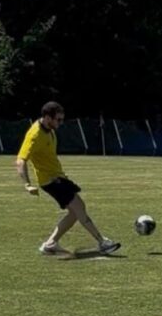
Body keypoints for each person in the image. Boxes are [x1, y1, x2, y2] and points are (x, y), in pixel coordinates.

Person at [15, 101, 120, 255]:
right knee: (79, 208)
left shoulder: (49, 129)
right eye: (58, 119)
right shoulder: (34, 135)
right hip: (51, 181)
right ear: (47, 117)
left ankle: (50, 244)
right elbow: (20, 160)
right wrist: (27, 184)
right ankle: (102, 242)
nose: (61, 123)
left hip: (58, 177)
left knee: (75, 212)